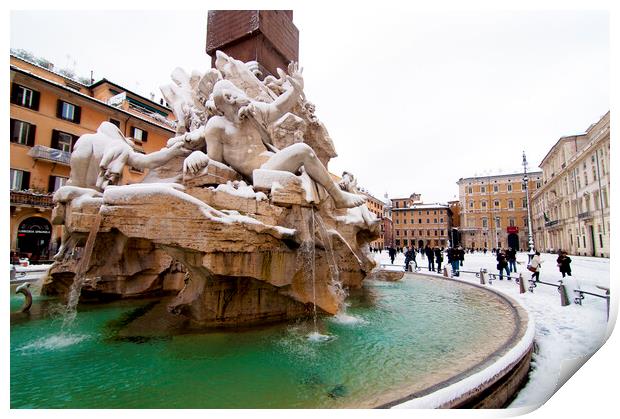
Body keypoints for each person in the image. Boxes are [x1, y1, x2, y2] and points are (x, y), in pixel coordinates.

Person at [181, 63, 366, 209]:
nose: (243, 93)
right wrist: (198, 155)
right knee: (304, 151)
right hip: (258, 173)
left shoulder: (252, 112)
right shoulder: (216, 126)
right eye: (238, 91)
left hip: (273, 163)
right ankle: (339, 197)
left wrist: (296, 90)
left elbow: (277, 108)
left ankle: (337, 195)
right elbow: (217, 164)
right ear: (229, 97)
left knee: (304, 156)